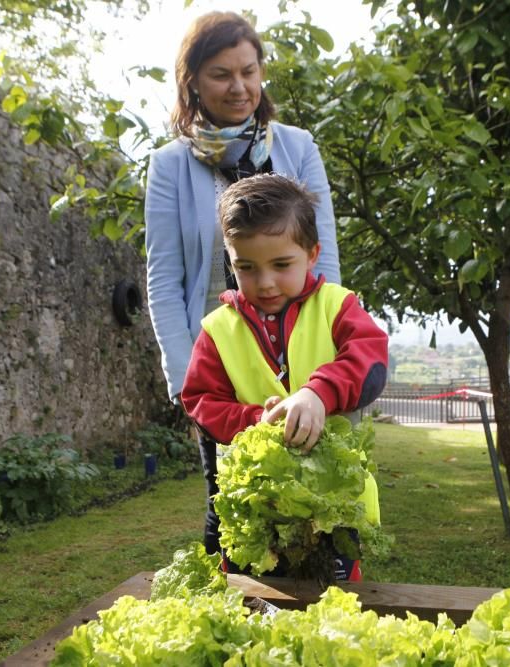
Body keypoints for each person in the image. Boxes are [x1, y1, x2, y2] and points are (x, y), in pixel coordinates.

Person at [144, 11, 341, 554]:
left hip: (299, 366)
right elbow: (163, 279)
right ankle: (234, 621)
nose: (240, 88)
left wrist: (326, 370)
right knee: (232, 513)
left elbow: (324, 265)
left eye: (250, 72)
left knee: (316, 518)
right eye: (222, 75)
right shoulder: (169, 166)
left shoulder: (298, 147)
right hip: (222, 373)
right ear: (193, 83)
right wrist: (187, 382)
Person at [181, 173, 387, 579]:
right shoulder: (217, 329)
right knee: (252, 611)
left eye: (281, 264)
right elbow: (200, 402)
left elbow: (371, 361)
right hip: (257, 509)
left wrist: (318, 393)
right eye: (246, 267)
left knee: (332, 614)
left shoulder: (338, 306)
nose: (266, 282)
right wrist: (257, 422)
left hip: (335, 508)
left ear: (312, 254)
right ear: (230, 261)